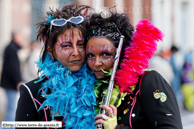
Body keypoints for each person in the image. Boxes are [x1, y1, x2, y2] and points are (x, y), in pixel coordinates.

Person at [86, 8, 183, 129]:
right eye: (90, 55)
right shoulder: (92, 88)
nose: (96, 63)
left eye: (105, 54)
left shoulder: (148, 81)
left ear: (120, 54)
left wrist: (116, 128)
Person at [15, 4, 96, 129]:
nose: (75, 52)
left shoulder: (98, 86)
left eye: (80, 44)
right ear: (51, 52)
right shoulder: (32, 92)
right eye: (66, 46)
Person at [1, 30, 23, 124]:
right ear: (15, 36)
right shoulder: (12, 49)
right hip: (11, 83)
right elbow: (13, 68)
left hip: (9, 83)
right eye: (20, 36)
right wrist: (18, 81)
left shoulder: (11, 47)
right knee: (12, 108)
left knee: (11, 107)